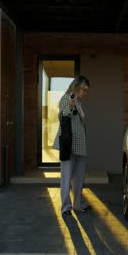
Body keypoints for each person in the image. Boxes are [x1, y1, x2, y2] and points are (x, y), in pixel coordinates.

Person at [52, 75, 91, 216]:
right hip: (69, 145)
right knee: (67, 176)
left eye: (86, 90)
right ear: (76, 87)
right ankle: (66, 207)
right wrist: (70, 104)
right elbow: (62, 115)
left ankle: (77, 203)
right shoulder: (66, 98)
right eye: (84, 90)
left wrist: (75, 103)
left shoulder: (78, 102)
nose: (85, 93)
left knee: (79, 176)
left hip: (80, 145)